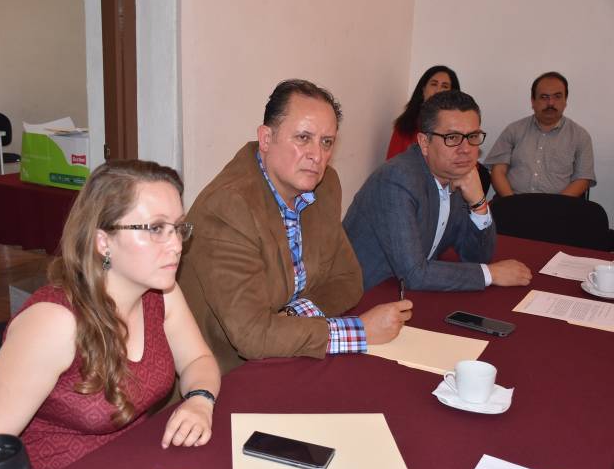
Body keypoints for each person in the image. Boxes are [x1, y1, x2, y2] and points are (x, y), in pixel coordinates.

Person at [0, 160, 221, 469]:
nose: (176, 245)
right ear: (103, 242)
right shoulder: (55, 323)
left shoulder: (160, 292)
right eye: (156, 229)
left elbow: (197, 360)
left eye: (178, 227)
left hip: (134, 463)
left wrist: (200, 400)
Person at [178, 79, 413, 374]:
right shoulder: (228, 207)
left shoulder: (325, 187)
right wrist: (358, 332)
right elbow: (252, 336)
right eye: (303, 138)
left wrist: (290, 316)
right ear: (266, 139)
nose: (317, 155)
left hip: (289, 354)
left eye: (326, 142)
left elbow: (348, 280)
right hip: (223, 373)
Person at [344, 90, 532, 291]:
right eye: (452, 137)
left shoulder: (457, 176)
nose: (466, 149)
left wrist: (478, 203)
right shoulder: (397, 179)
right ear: (424, 143)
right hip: (364, 295)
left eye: (472, 136)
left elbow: (476, 257)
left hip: (407, 292)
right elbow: (414, 274)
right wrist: (490, 274)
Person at [484, 71, 596, 197]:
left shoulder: (580, 136)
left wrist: (558, 205)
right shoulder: (513, 130)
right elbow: (498, 171)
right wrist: (512, 202)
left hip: (560, 204)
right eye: (544, 97)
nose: (551, 103)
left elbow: (582, 179)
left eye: (557, 96)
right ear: (533, 101)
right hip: (514, 200)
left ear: (565, 100)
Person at [386, 65, 460, 159]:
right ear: (423, 90)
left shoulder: (460, 128)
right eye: (434, 84)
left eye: (444, 86)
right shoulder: (405, 126)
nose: (438, 90)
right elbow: (392, 163)